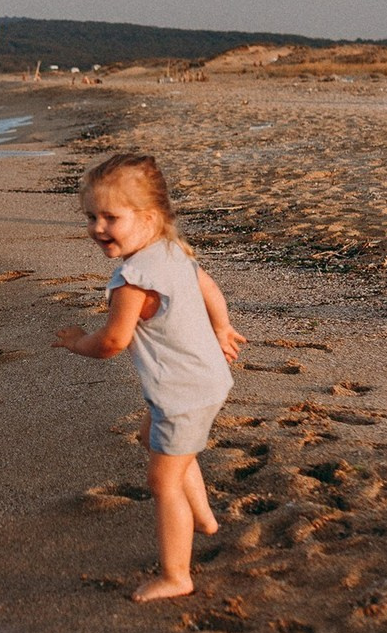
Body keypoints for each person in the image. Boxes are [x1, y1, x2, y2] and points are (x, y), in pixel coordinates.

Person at [52, 152, 244, 603]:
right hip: (205, 380)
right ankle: (204, 519)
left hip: (182, 393)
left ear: (149, 216)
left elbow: (113, 341)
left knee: (162, 482)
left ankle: (177, 575)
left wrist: (77, 341)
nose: (98, 228)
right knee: (151, 437)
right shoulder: (173, 251)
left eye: (110, 217)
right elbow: (209, 287)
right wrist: (222, 326)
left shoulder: (132, 281)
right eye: (91, 217)